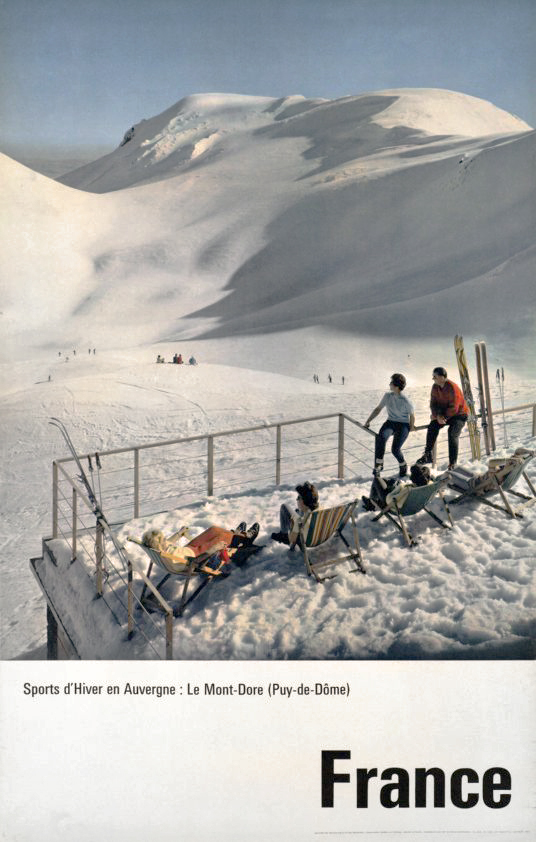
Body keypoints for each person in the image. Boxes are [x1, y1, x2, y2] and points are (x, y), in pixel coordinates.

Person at [142, 521, 260, 573]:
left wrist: (178, 534)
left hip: (189, 548)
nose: (164, 540)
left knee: (214, 529)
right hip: (197, 556)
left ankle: (236, 535)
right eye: (162, 539)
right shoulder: (171, 559)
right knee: (224, 537)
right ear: (158, 544)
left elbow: (168, 542)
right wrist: (215, 548)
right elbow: (195, 562)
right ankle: (244, 538)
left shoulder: (158, 547)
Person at [364, 373, 415, 477]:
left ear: (396, 386)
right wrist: (368, 421)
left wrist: (411, 426)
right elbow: (378, 409)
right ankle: (379, 465)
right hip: (390, 422)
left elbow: (412, 415)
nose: (389, 384)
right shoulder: (387, 396)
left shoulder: (405, 400)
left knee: (395, 449)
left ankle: (403, 464)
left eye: (391, 382)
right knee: (381, 437)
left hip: (403, 424)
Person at [417, 367, 468, 469]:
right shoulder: (435, 387)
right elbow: (433, 403)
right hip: (444, 414)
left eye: (435, 376)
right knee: (432, 426)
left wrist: (442, 417)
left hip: (459, 415)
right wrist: (437, 416)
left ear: (441, 377)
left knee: (452, 433)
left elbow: (454, 408)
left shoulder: (453, 388)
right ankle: (428, 455)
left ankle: (452, 463)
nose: (433, 379)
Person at [271, 481, 319, 546]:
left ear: (303, 501)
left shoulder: (300, 521)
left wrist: (293, 527)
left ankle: (283, 534)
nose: (296, 500)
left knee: (284, 506)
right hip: (318, 537)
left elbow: (291, 540)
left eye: (298, 497)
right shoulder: (322, 512)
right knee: (297, 511)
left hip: (303, 540)